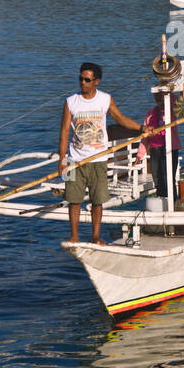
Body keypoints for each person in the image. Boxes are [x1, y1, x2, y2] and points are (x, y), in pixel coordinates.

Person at [58, 62, 141, 244]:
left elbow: (121, 119)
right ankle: (74, 236)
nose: (83, 83)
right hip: (74, 160)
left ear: (96, 81)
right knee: (73, 200)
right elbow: (64, 132)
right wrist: (62, 160)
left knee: (97, 201)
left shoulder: (105, 99)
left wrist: (142, 128)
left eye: (87, 79)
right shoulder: (71, 102)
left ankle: (95, 236)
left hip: (98, 159)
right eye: (80, 78)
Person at [137, 92, 180, 199]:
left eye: (161, 96)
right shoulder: (151, 113)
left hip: (169, 148)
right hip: (155, 149)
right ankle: (161, 199)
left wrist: (167, 91)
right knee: (157, 177)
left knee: (168, 178)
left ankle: (172, 202)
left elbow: (176, 100)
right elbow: (145, 136)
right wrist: (140, 154)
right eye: (156, 97)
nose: (158, 99)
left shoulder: (171, 111)